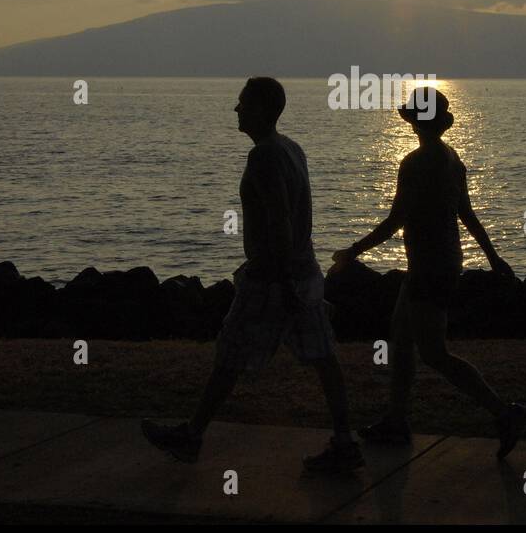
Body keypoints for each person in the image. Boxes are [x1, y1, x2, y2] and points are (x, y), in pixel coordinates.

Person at [142, 77, 364, 473]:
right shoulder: (292, 149)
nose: (236, 109)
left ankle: (192, 436)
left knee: (230, 356)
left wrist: (276, 279)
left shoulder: (264, 156)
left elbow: (279, 219)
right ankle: (344, 441)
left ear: (261, 109)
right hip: (302, 271)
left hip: (273, 278)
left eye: (243, 103)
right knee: (323, 357)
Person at [332, 87, 526, 459]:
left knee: (434, 353)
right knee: (402, 341)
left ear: (417, 122)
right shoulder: (453, 158)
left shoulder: (416, 163)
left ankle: (505, 413)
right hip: (440, 263)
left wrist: (353, 252)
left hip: (429, 267)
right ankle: (396, 421)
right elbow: (467, 215)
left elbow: (395, 221)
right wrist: (492, 257)